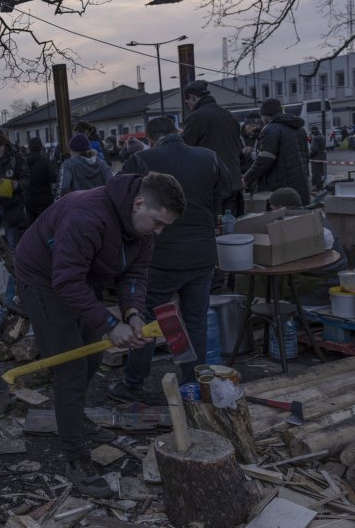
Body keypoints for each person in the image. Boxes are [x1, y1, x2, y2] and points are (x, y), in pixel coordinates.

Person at [14, 172, 185, 497]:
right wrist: (110, 324)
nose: (159, 231)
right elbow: (64, 281)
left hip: (79, 275)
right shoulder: (87, 215)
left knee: (92, 355)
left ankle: (75, 418)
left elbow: (135, 273)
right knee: (70, 370)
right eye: (158, 222)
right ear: (138, 203)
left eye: (165, 226)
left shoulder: (142, 230)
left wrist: (132, 313)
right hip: (43, 279)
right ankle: (76, 457)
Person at [109, 116, 233, 402]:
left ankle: (133, 383)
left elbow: (122, 200)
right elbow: (227, 190)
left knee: (148, 321)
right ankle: (193, 383)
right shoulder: (208, 157)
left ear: (151, 139)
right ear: (177, 132)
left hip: (160, 257)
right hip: (202, 254)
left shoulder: (142, 160)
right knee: (195, 320)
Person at [180, 80, 244, 214]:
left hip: (213, 185)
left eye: (187, 102)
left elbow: (184, 149)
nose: (188, 106)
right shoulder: (229, 116)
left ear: (192, 97)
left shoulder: (196, 117)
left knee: (215, 227)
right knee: (231, 226)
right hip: (234, 182)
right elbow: (239, 148)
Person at [242, 98, 311, 206]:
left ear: (265, 115)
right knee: (298, 216)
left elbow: (264, 161)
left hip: (280, 186)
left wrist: (245, 179)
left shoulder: (270, 129)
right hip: (301, 183)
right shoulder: (299, 128)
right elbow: (306, 156)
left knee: (280, 219)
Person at [24, 137, 57, 224]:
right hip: (45, 200)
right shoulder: (45, 160)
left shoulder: (24, 162)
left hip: (29, 200)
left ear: (29, 148)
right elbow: (54, 178)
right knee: (46, 226)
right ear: (41, 147)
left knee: (32, 227)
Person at [309, 126, 326, 191]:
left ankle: (318, 186)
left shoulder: (315, 138)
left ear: (313, 132)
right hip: (321, 157)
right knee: (320, 172)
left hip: (316, 158)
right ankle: (319, 185)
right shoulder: (322, 137)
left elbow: (314, 149)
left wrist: (309, 156)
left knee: (316, 172)